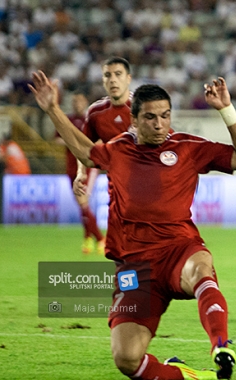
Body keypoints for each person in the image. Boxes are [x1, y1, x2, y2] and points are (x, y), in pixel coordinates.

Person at [29, 71, 236, 380]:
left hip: (179, 250)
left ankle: (220, 346)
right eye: (150, 117)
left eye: (165, 116)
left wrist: (226, 110)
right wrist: (52, 109)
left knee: (201, 271)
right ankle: (195, 375)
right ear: (134, 120)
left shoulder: (187, 147)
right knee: (127, 360)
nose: (159, 124)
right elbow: (85, 152)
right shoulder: (119, 149)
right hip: (136, 268)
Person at [74, 56, 134, 257]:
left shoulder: (143, 108)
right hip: (116, 190)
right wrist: (81, 172)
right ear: (103, 80)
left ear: (128, 78)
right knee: (117, 249)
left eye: (118, 74)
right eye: (108, 75)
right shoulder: (96, 112)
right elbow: (84, 147)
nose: (113, 80)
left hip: (146, 187)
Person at [55, 92, 105, 254]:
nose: (77, 104)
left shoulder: (91, 120)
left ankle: (100, 239)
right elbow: (57, 138)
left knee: (83, 203)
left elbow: (100, 140)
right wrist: (71, 141)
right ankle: (88, 238)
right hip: (71, 167)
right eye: (75, 101)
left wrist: (82, 144)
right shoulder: (67, 120)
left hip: (88, 167)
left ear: (85, 103)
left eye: (80, 101)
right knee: (82, 205)